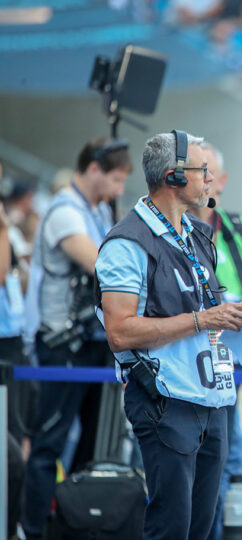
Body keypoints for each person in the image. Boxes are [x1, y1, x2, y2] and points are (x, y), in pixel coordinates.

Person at [95, 131, 242, 538]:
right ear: (173, 177)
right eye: (202, 170)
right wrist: (205, 320)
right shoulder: (127, 243)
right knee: (173, 526)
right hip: (167, 401)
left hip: (213, 398)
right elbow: (120, 331)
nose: (211, 179)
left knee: (202, 527)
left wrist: (240, 317)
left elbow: (206, 309)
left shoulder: (196, 234)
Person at [22, 137, 131, 540]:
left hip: (92, 342)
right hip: (61, 344)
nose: (120, 190)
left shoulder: (98, 209)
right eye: (116, 179)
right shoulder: (65, 211)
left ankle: (78, 524)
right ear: (93, 169)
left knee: (91, 443)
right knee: (49, 443)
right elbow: (103, 262)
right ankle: (33, 528)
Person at [186, 142, 242, 540]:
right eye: (199, 172)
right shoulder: (172, 232)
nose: (205, 181)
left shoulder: (234, 227)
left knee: (230, 465)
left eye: (210, 173)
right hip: (191, 374)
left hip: (232, 371)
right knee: (197, 478)